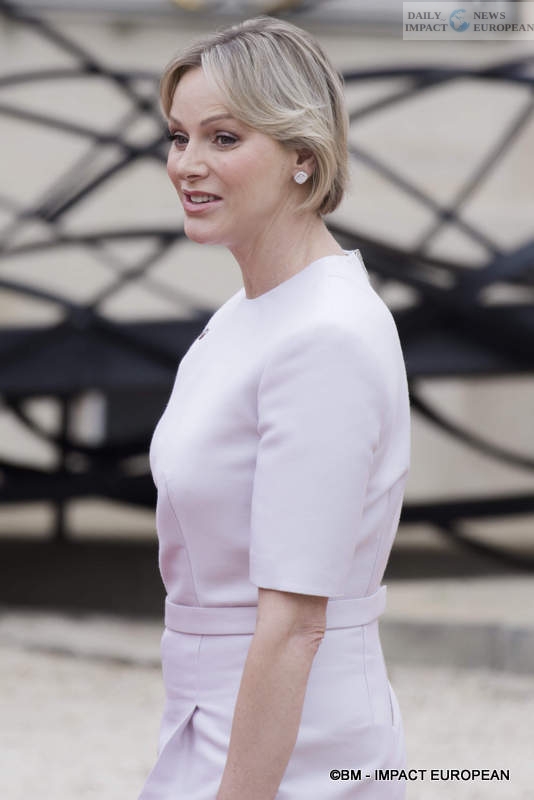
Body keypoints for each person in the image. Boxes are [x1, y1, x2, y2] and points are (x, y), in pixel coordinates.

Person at [139, 15, 411, 800]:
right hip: (213, 717)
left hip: (300, 748)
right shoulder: (248, 314)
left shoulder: (325, 336)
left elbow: (295, 623)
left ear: (303, 155)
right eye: (179, 136)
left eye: (223, 138)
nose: (187, 164)